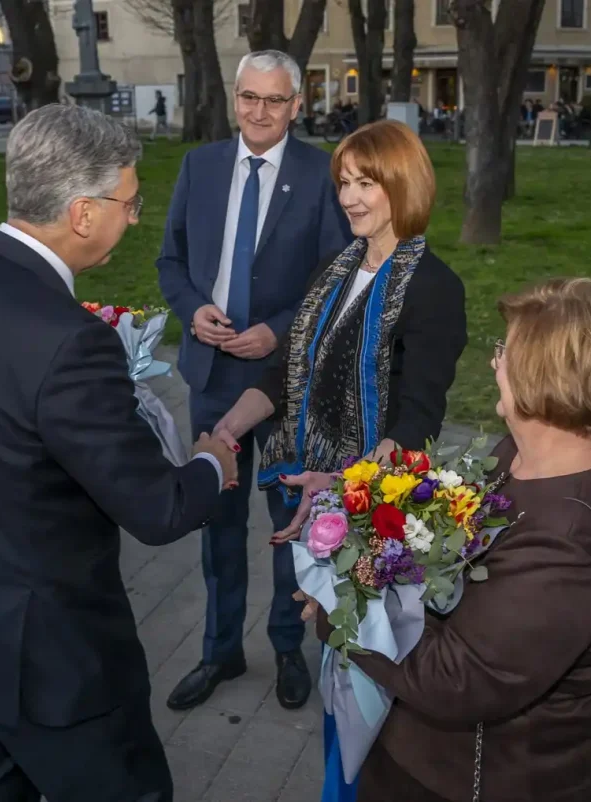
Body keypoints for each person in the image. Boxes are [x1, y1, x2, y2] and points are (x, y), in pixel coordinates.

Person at [0, 104, 239, 802]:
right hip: (50, 661)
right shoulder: (69, 340)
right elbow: (159, 508)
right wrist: (212, 464)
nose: (136, 217)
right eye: (130, 202)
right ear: (83, 213)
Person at [295, 276, 591, 802]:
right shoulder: (523, 455)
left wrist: (337, 611)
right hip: (426, 758)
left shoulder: (567, 547)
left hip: (473, 782)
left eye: (505, 352)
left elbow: (453, 679)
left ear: (545, 378)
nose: (494, 364)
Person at [211, 119, 468, 802]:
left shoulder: (434, 287)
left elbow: (416, 424)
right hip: (325, 500)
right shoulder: (338, 270)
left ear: (403, 184)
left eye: (366, 182)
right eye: (344, 183)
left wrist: (346, 491)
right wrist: (226, 430)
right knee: (339, 680)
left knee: (368, 694)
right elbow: (289, 374)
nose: (350, 197)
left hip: (376, 521)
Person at [156, 49, 352, 712]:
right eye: (248, 98)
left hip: (286, 378)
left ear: (297, 105)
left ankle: (287, 648)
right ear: (233, 97)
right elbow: (170, 261)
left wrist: (281, 329)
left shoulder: (322, 173)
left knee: (286, 521)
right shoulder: (199, 166)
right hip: (212, 375)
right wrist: (192, 310)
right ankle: (220, 651)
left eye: (274, 101)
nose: (259, 112)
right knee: (217, 519)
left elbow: (335, 279)